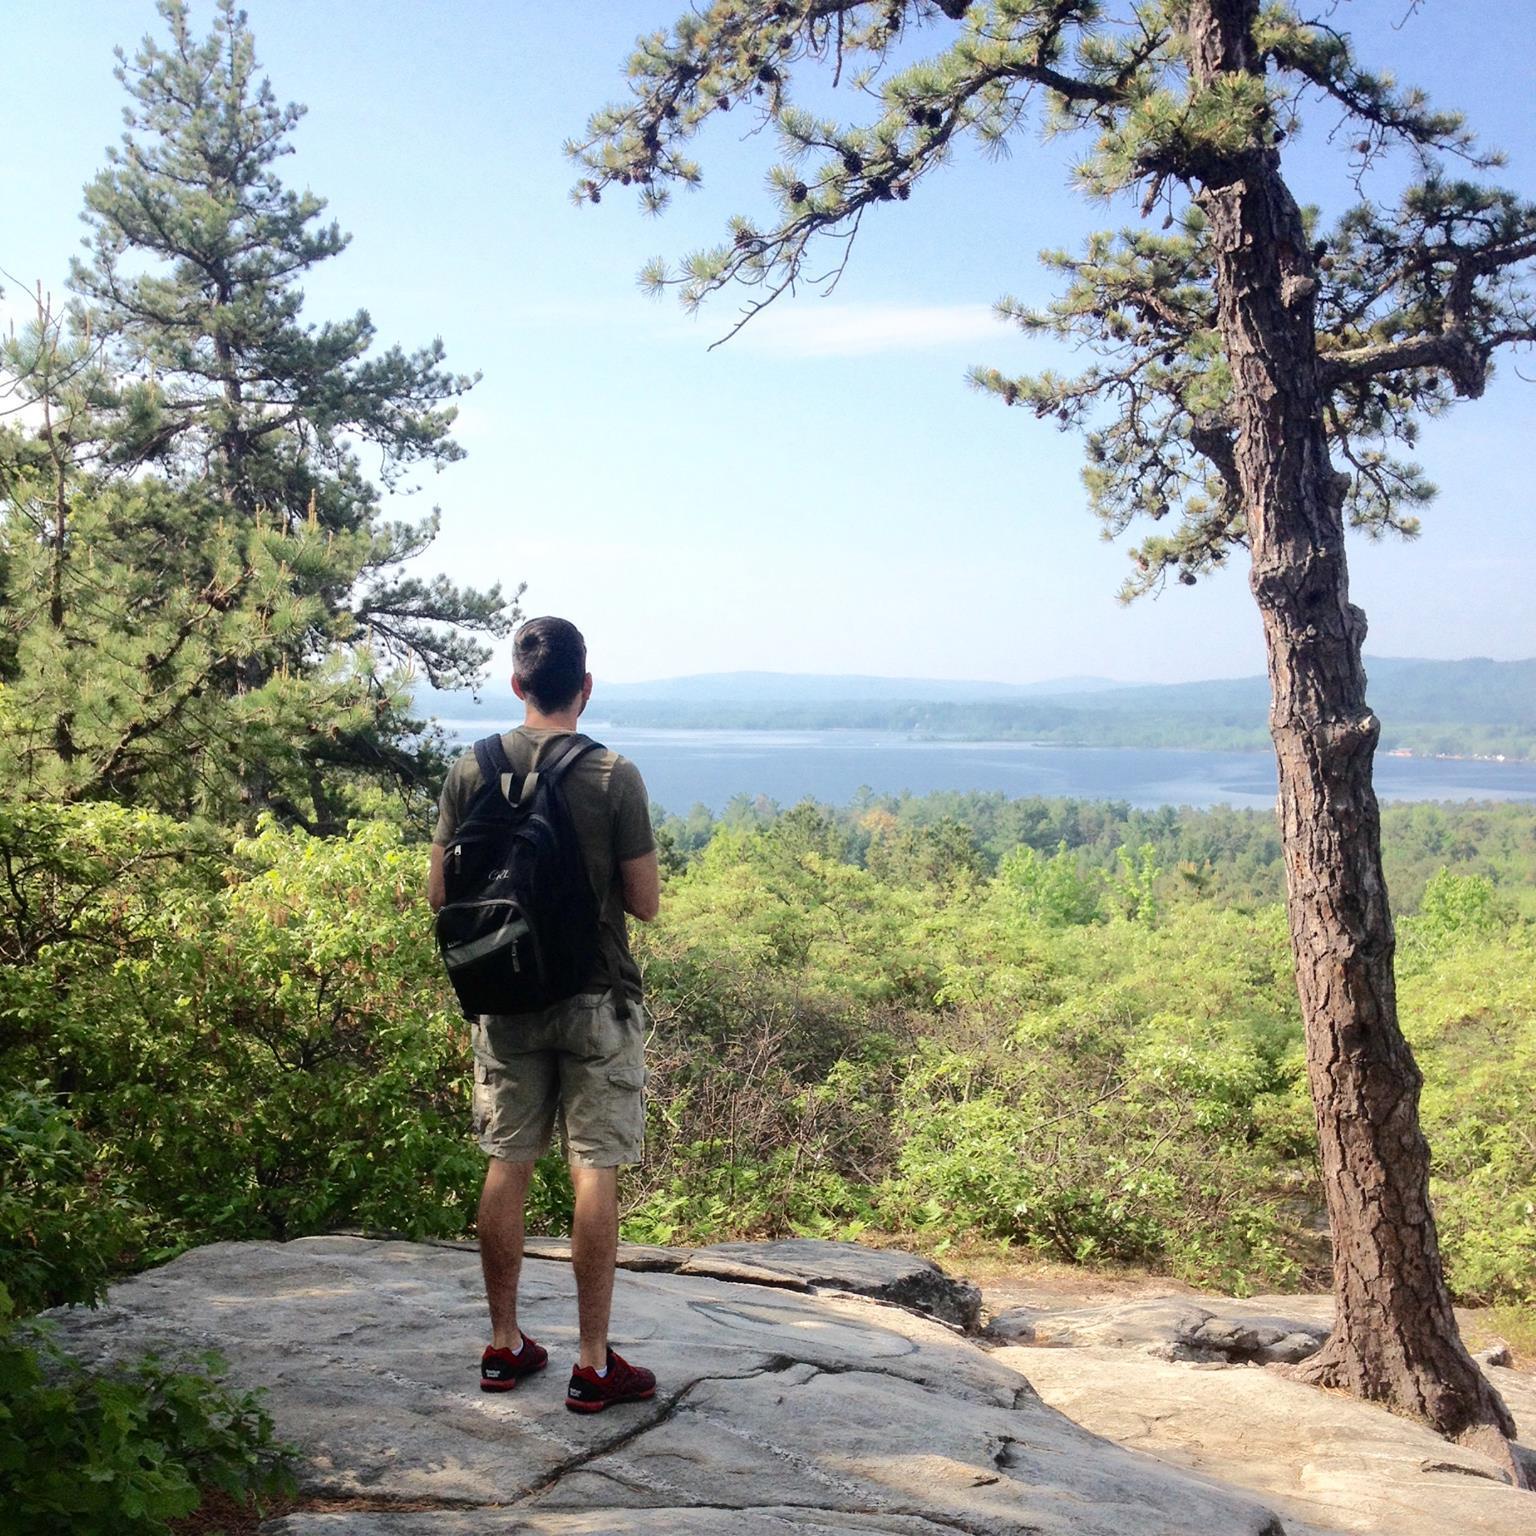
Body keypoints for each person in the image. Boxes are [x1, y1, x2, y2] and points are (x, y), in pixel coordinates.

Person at [428, 616, 661, 1413]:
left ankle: (504, 1346)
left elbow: (439, 897)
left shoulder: (471, 769)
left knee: (508, 1161)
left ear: (518, 684)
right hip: (595, 997)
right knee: (593, 1169)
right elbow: (645, 903)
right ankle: (593, 1363)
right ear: (585, 687)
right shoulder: (612, 775)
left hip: (504, 998)